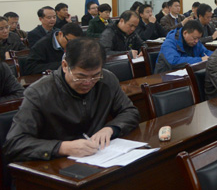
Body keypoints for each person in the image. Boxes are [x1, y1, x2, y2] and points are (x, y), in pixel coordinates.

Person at [4, 37, 140, 162]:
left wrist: (111, 128)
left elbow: (130, 111)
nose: (88, 82)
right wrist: (62, 147)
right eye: (80, 76)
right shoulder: (39, 93)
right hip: (53, 166)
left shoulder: (106, 79)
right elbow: (15, 143)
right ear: (65, 66)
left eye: (95, 75)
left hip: (96, 158)